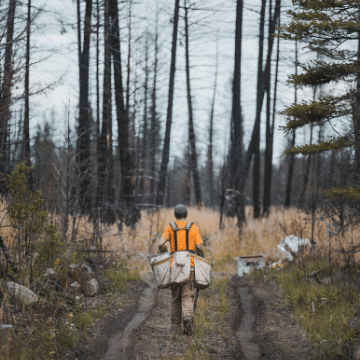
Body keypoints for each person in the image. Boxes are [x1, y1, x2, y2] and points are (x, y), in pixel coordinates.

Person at [158, 204, 204, 336]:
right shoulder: (193, 227)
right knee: (187, 295)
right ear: (186, 214)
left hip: (174, 266)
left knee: (176, 298)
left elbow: (160, 244)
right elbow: (200, 247)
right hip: (189, 265)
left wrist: (164, 253)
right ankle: (188, 318)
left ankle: (175, 327)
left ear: (175, 215)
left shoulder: (170, 227)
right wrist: (200, 257)